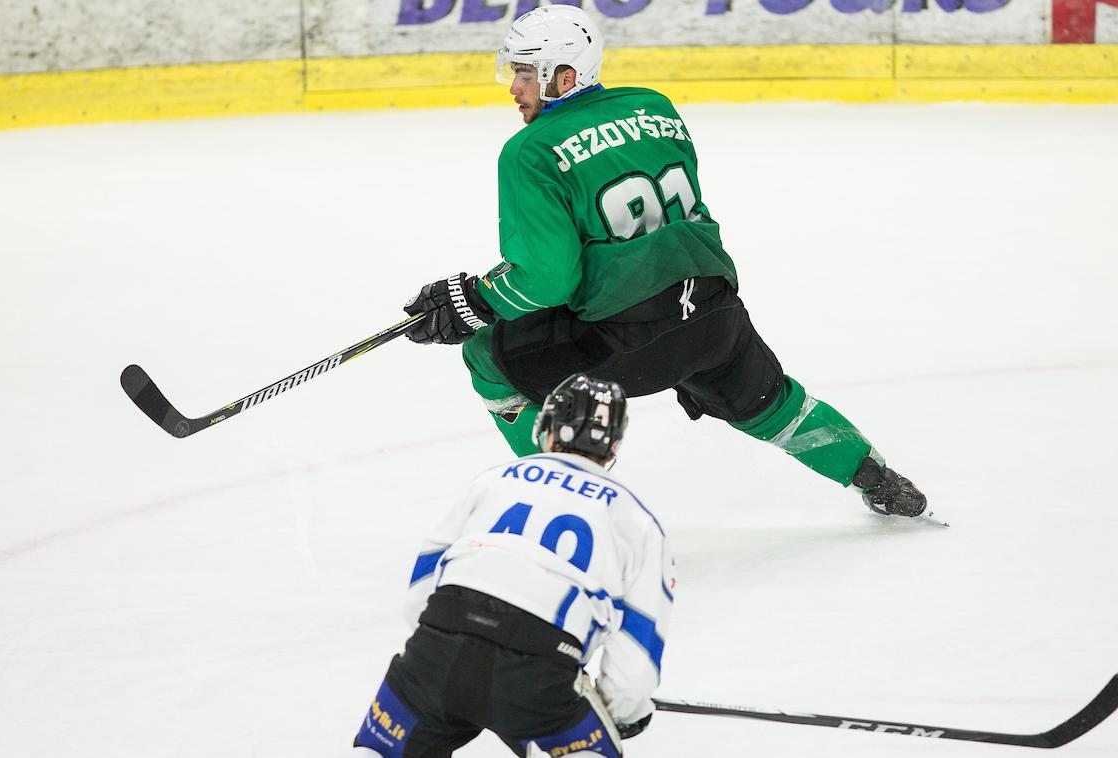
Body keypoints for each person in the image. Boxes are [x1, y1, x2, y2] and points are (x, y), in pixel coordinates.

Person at [401, 5, 926, 518]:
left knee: (488, 356)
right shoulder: (655, 106)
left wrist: (476, 301)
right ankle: (877, 477)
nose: (512, 87)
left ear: (561, 77)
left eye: (522, 73)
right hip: (713, 316)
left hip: (619, 340)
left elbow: (548, 279)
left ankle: (566, 509)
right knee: (773, 404)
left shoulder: (529, 152)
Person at [343, 374, 672, 757]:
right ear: (614, 445)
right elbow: (635, 658)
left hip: (436, 651)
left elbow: (422, 592)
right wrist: (622, 711)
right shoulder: (639, 522)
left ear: (545, 427)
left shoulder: (494, 482)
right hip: (539, 677)